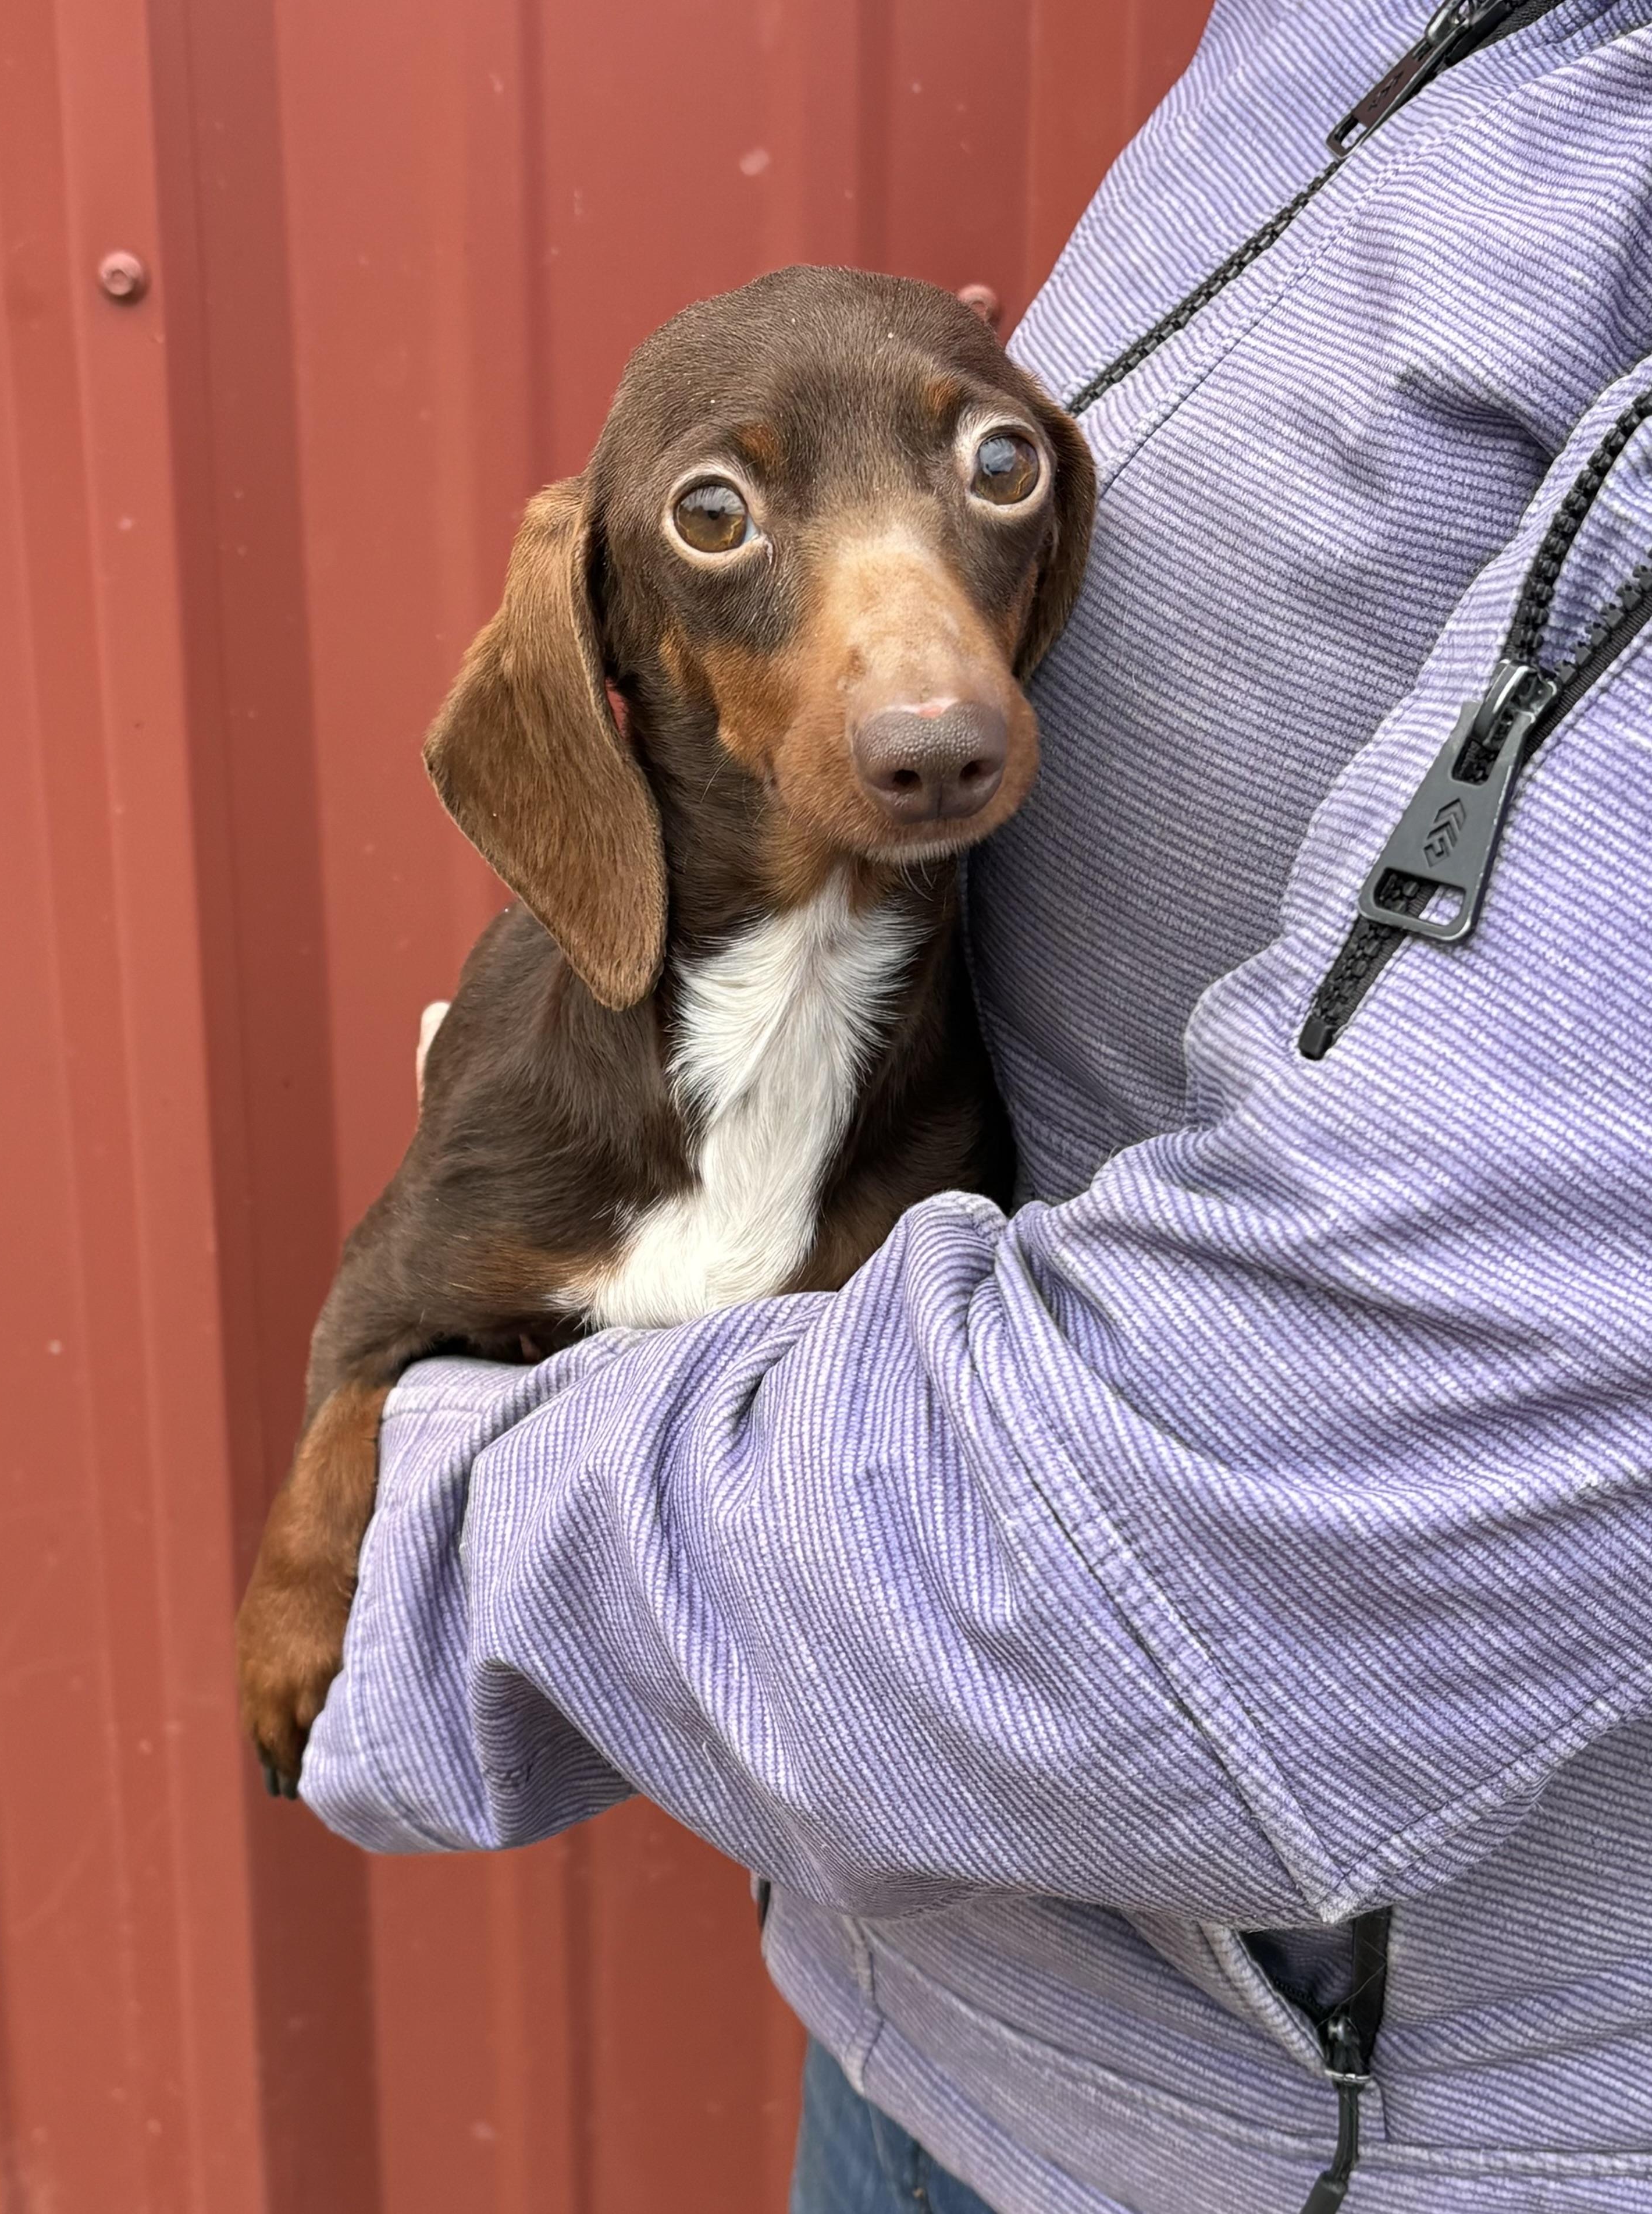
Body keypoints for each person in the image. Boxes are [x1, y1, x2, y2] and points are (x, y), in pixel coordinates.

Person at [302, 2, 1652, 2208]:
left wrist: (439, 1519)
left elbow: (1279, 1534)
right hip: (932, 1997)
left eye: (1005, 470)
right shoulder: (1332, 29)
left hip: (1318, 2142)